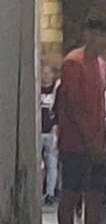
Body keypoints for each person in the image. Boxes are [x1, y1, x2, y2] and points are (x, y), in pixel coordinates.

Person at [54, 15, 106, 224]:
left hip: (96, 141)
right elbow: (75, 106)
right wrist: (91, 143)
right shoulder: (73, 62)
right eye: (96, 35)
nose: (101, 41)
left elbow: (98, 107)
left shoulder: (100, 65)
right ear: (87, 34)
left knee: (94, 199)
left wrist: (102, 141)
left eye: (105, 36)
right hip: (75, 144)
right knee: (70, 197)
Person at [40, 63, 59, 205]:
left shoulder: (57, 91)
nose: (45, 75)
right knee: (39, 165)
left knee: (52, 164)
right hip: (38, 132)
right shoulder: (34, 89)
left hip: (51, 131)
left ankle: (50, 193)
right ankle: (38, 190)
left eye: (48, 72)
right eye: (42, 72)